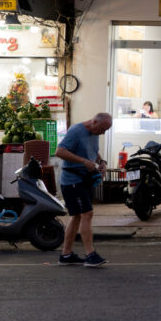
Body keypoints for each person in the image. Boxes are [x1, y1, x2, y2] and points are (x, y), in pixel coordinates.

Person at [54, 113, 113, 268]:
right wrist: (83, 161)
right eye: (102, 129)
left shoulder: (95, 131)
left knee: (76, 217)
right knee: (87, 213)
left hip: (84, 180)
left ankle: (66, 255)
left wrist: (101, 162)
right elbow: (59, 151)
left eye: (106, 130)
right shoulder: (76, 131)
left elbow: (92, 150)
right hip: (72, 181)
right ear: (93, 121)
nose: (103, 133)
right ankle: (90, 254)